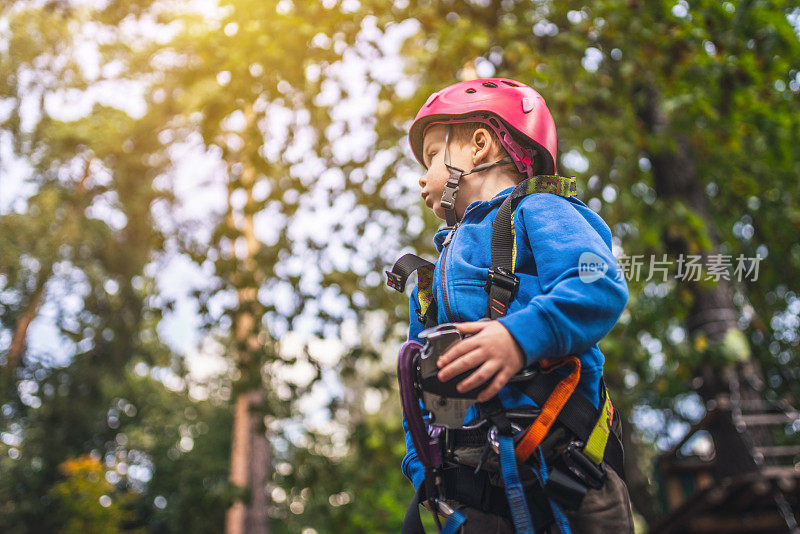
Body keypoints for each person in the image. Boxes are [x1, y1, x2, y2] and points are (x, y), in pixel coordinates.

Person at [392, 78, 634, 533]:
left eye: (429, 158)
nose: (422, 177)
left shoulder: (541, 209)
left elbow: (597, 282)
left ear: (478, 146)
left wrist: (517, 338)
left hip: (562, 474)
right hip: (473, 491)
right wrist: (424, 468)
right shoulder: (433, 276)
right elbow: (430, 389)